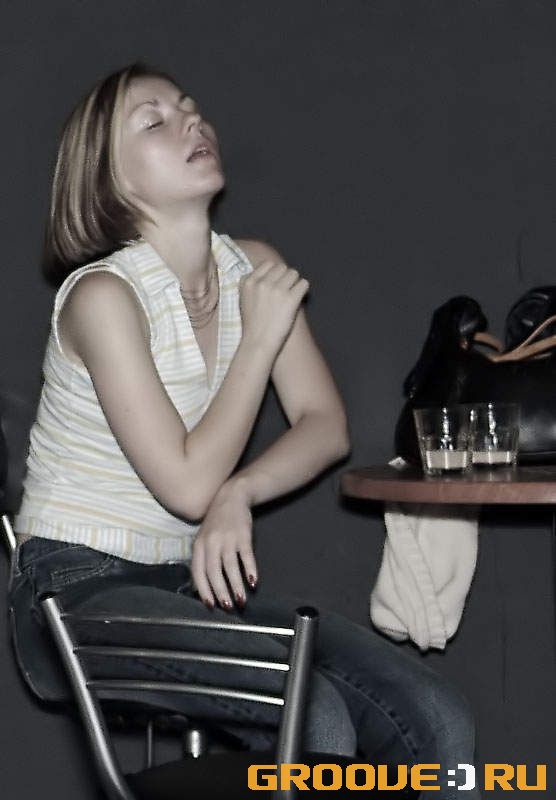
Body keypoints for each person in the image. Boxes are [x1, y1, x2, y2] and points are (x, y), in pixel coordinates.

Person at [8, 62, 480, 798]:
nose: (191, 121)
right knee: (311, 718)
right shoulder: (103, 297)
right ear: (109, 180)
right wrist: (257, 342)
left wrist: (242, 492)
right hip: (73, 590)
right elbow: (187, 486)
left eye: (190, 108)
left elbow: (324, 425)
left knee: (438, 721)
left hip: (181, 585)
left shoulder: (253, 268)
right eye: (155, 121)